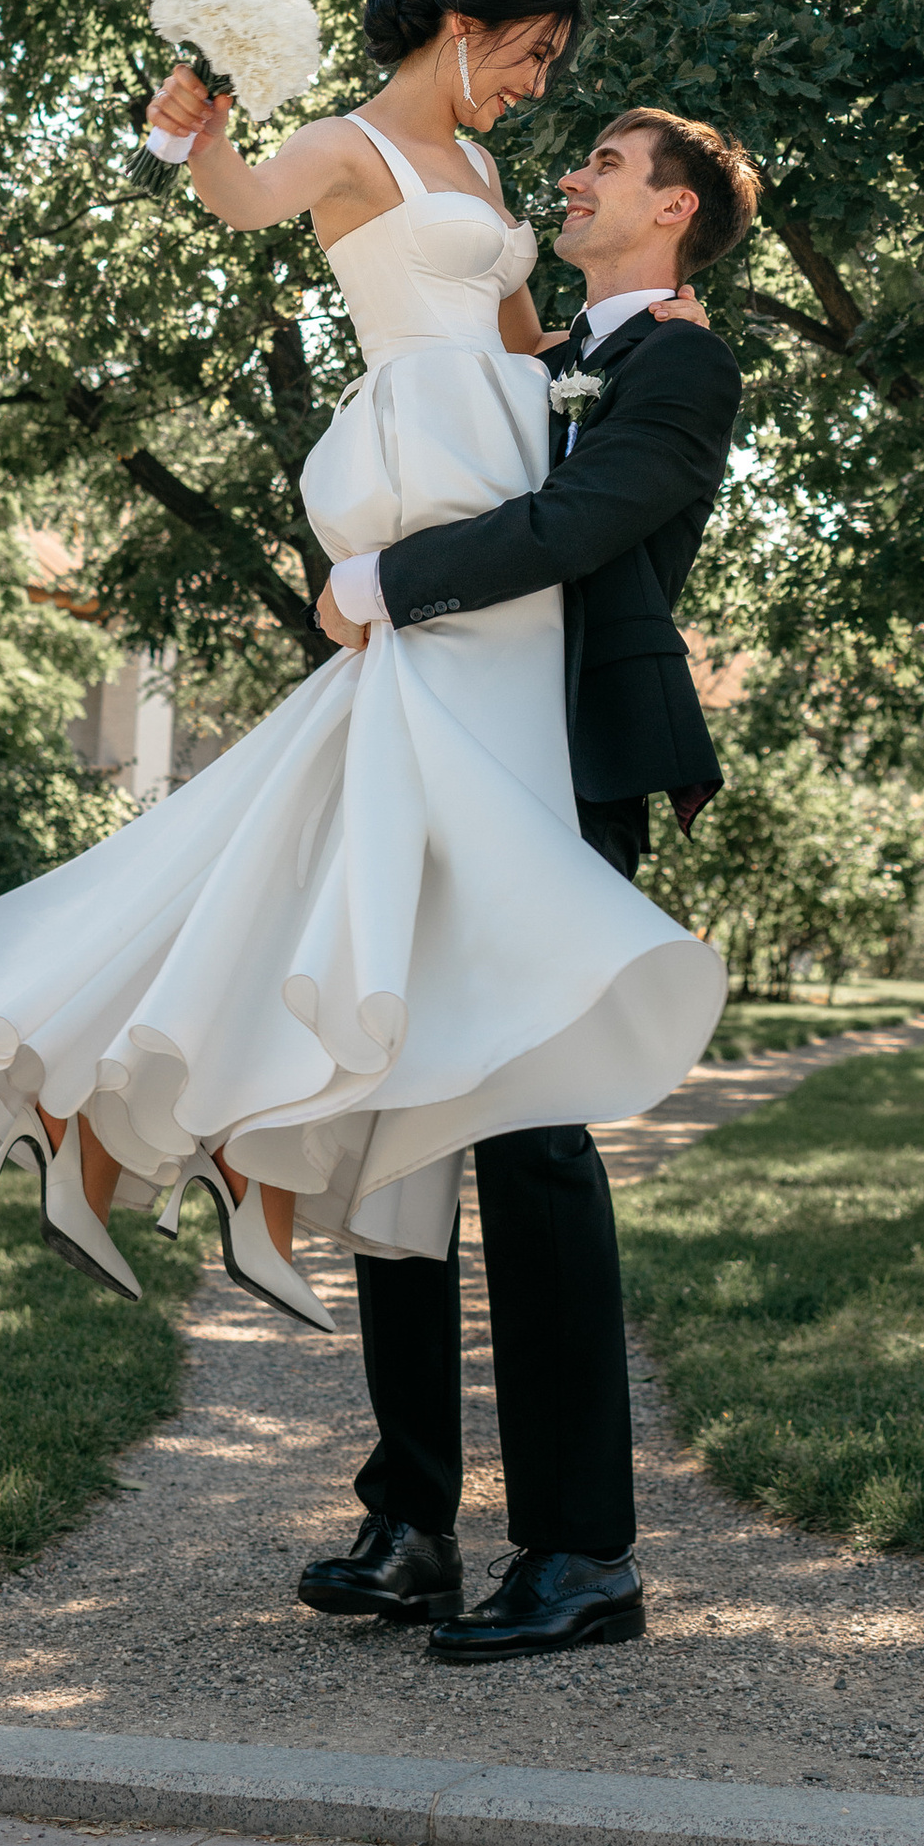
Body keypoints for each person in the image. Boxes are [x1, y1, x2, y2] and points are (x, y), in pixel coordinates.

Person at [0, 0, 734, 1373]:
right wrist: (181, 127)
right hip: (431, 479)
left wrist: (632, 349)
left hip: (491, 493)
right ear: (464, 25)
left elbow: (531, 356)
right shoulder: (345, 145)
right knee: (346, 824)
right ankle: (184, 1140)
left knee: (325, 827)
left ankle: (171, 1142)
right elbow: (239, 200)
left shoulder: (494, 176)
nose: (535, 88)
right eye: (530, 55)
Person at [296, 84, 760, 1663]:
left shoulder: (684, 365)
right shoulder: (536, 367)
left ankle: (583, 1552)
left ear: (676, 208)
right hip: (443, 748)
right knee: (399, 1121)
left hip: (563, 770)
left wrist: (387, 575)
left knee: (532, 1140)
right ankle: (414, 1516)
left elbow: (590, 514)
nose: (576, 177)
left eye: (612, 167)